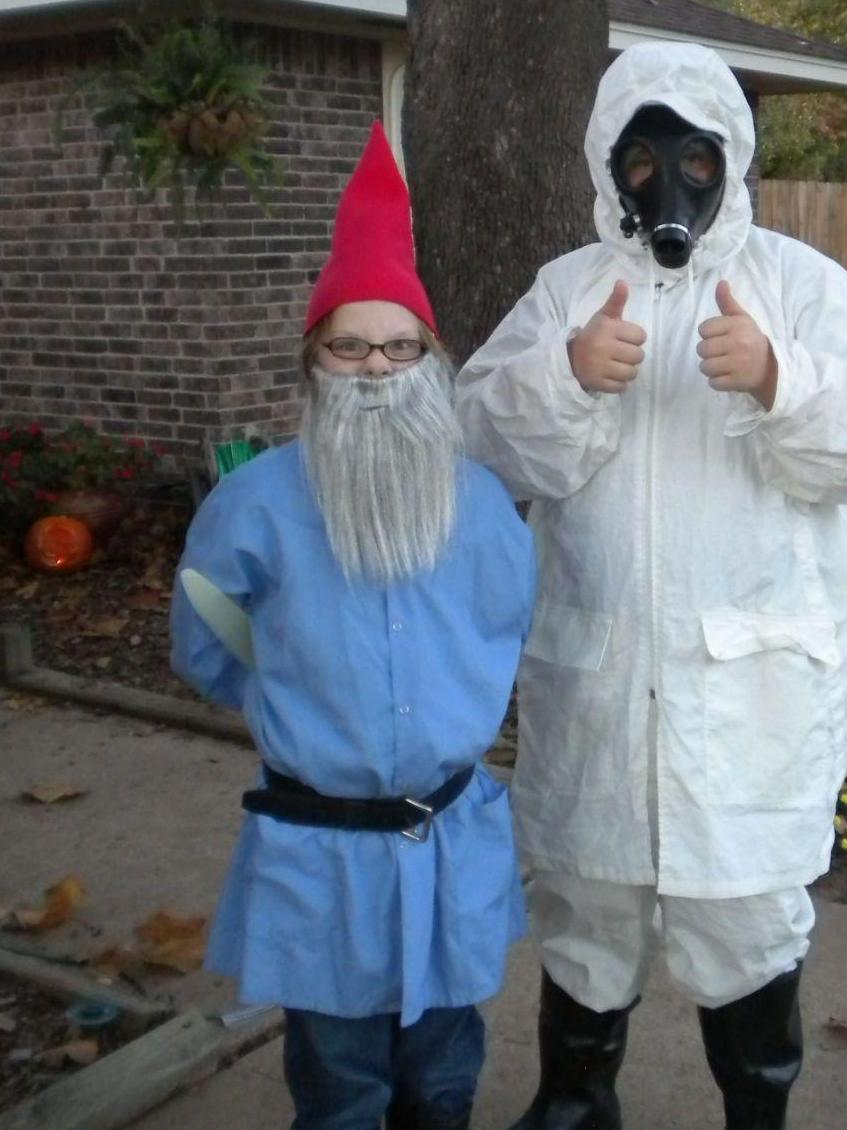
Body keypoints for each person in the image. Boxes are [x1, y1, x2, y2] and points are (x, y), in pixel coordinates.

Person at [456, 42, 847, 1130]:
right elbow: (479, 434)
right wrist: (564, 375)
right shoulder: (568, 290)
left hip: (748, 697)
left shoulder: (795, 284)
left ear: (729, 154)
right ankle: (575, 1101)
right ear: (607, 162)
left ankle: (755, 1114)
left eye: (693, 155)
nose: (666, 181)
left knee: (744, 917)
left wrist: (778, 376)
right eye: (641, 157)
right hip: (599, 677)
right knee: (586, 904)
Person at [170, 122, 536, 1130]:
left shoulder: (480, 506)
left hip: (447, 844)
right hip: (320, 856)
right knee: (338, 1089)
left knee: (443, 1082)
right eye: (350, 346)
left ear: (430, 360)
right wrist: (293, 684)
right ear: (313, 362)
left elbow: (510, 626)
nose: (376, 368)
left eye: (398, 346)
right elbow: (208, 638)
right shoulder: (252, 507)